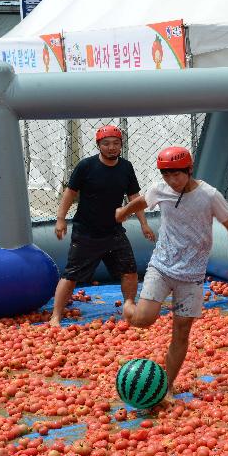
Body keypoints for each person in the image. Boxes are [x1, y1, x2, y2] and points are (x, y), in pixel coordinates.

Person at [115, 146, 228, 393]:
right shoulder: (160, 189)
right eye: (167, 176)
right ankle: (129, 304)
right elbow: (141, 201)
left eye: (177, 175)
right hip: (162, 267)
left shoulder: (209, 195)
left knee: (181, 331)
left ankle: (167, 386)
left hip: (192, 276)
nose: (172, 181)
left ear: (189, 170)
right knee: (143, 320)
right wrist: (123, 211)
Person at [50, 125, 155, 327]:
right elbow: (70, 193)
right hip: (86, 232)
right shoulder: (86, 166)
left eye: (116, 143)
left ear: (121, 146)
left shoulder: (126, 167)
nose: (111, 148)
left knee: (130, 270)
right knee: (71, 275)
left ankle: (129, 307)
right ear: (98, 145)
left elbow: (134, 198)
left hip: (114, 232)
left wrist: (144, 223)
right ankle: (56, 314)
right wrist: (61, 219)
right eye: (106, 144)